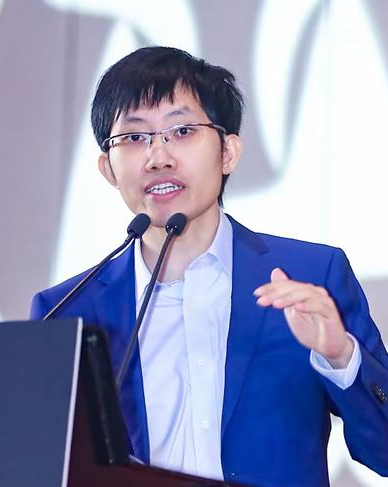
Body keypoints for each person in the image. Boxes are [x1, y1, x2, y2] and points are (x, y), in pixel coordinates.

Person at [30, 46, 388, 486]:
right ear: (108, 168)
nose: (158, 156)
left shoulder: (312, 276)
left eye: (181, 131)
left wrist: (340, 356)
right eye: (135, 137)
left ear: (228, 153)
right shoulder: (65, 311)